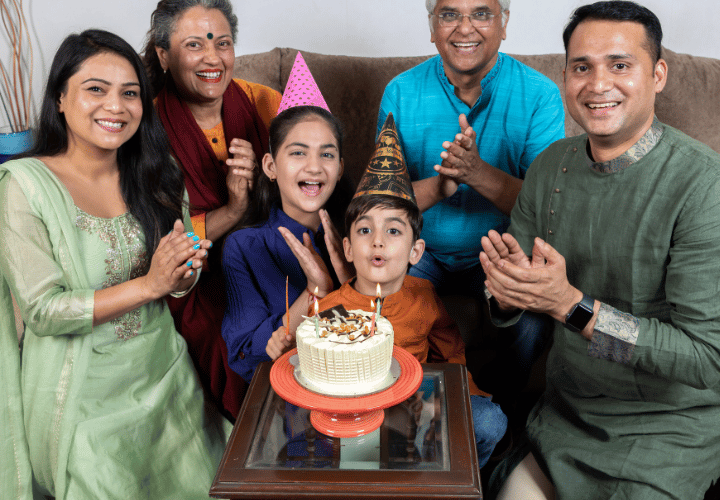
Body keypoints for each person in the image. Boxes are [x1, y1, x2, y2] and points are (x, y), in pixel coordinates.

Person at [481, 2, 720, 498]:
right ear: (565, 75)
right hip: (568, 417)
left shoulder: (708, 190)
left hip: (670, 428)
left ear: (657, 75)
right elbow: (518, 301)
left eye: (620, 65)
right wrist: (508, 293)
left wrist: (570, 306)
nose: (597, 84)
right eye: (581, 67)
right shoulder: (550, 168)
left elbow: (705, 360)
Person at [0, 30, 229, 499]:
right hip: (79, 388)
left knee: (219, 478)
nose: (116, 106)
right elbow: (44, 311)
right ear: (61, 99)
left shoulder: (156, 172)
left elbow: (177, 286)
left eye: (130, 93)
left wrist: (182, 272)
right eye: (96, 89)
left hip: (162, 370)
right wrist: (151, 284)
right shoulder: (22, 187)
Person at [377, 0, 566, 405]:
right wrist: (443, 186)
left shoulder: (540, 96)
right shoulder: (400, 92)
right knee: (382, 315)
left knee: (531, 325)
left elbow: (548, 208)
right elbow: (382, 202)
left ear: (504, 23)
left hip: (501, 249)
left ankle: (493, 412)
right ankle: (414, 415)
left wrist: (476, 172)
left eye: (481, 13)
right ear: (432, 27)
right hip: (419, 249)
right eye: (449, 14)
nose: (465, 28)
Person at [306, 114, 506, 469]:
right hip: (361, 413)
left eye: (394, 231)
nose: (378, 240)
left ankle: (458, 486)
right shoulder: (332, 309)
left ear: (417, 252)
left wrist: (453, 394)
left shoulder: (424, 294)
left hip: (422, 404)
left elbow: (450, 348)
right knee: (358, 453)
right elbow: (316, 366)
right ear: (348, 248)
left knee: (491, 421)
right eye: (365, 231)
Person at [142, 0, 281, 420]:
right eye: (194, 45)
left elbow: (315, 182)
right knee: (227, 339)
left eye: (222, 43)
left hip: (271, 252)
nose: (212, 58)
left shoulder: (264, 103)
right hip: (197, 276)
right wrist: (235, 209)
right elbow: (153, 234)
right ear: (164, 56)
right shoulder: (145, 128)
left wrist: (267, 182)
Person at [221, 55, 351, 382]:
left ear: (340, 169)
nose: (313, 166)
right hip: (289, 389)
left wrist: (349, 282)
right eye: (297, 152)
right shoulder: (243, 246)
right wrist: (314, 292)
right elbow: (244, 352)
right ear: (270, 167)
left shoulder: (359, 234)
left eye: (327, 154)